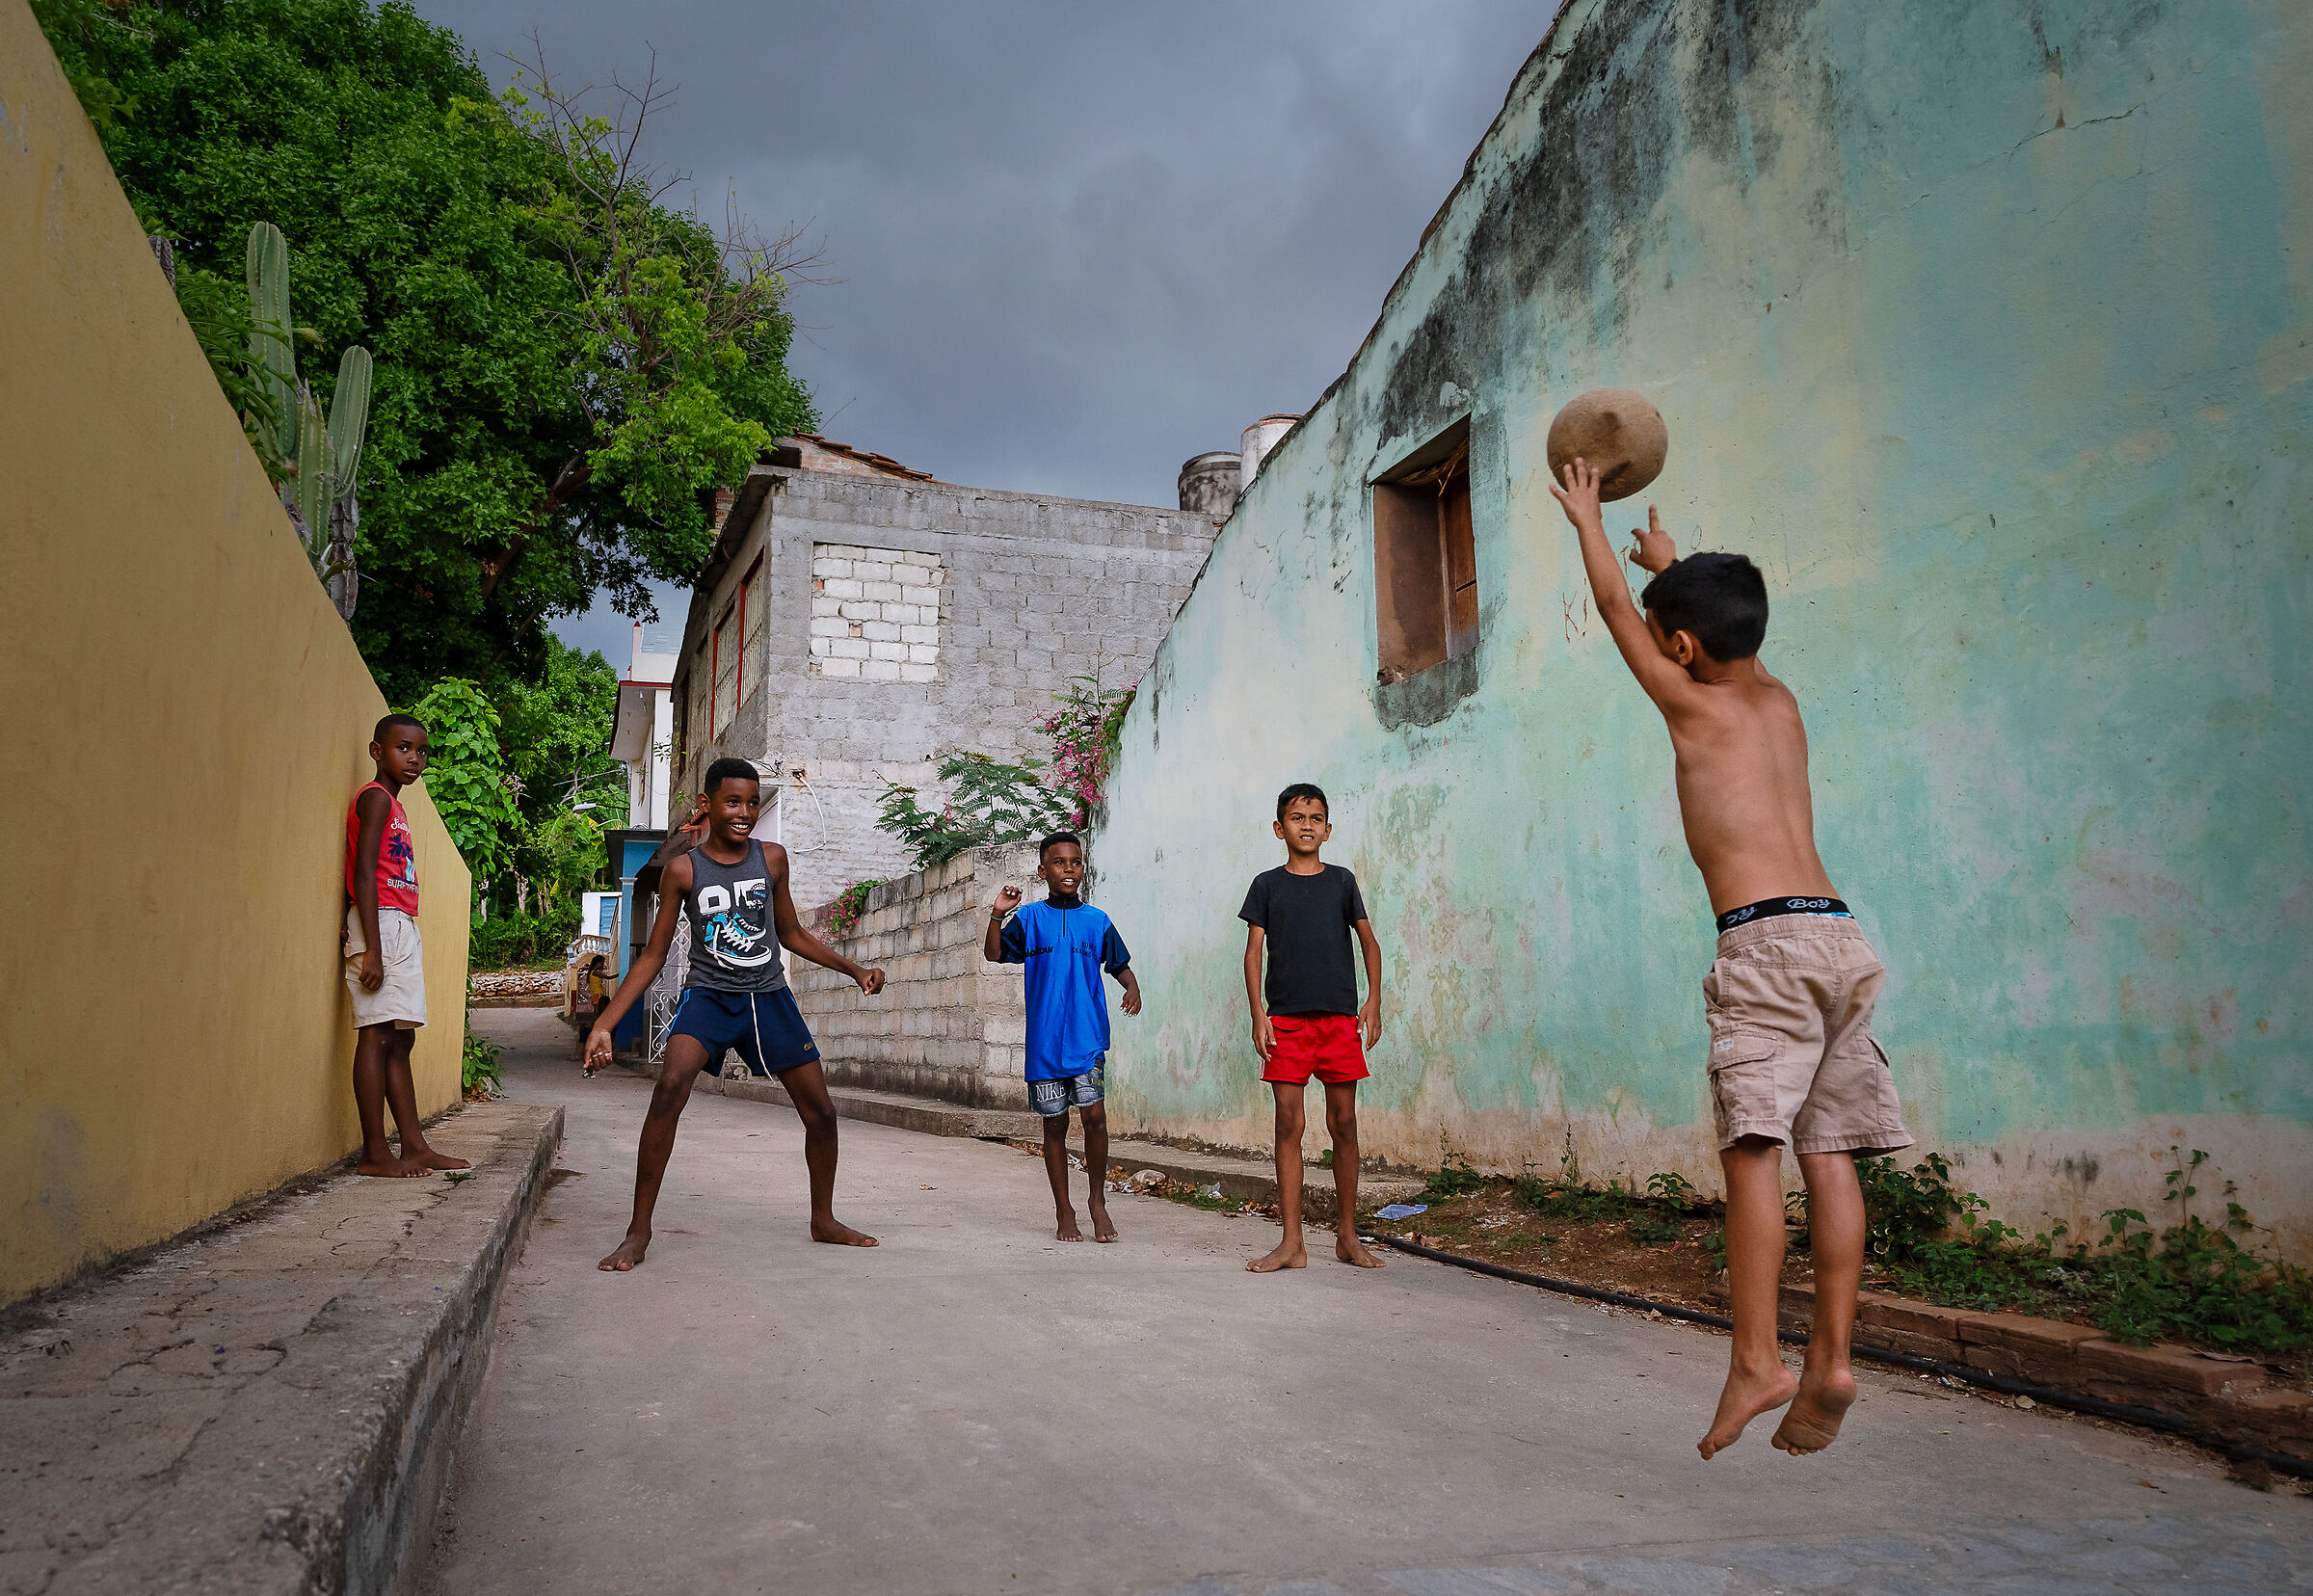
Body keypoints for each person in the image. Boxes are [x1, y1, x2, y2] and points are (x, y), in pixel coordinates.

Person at [1550, 458, 1910, 1460]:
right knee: (1829, 1156)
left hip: (1762, 945)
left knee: (1755, 1151)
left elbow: (1620, 613)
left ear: (1679, 646)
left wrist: (1588, 519)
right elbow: (1710, 622)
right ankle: (1833, 1356)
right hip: (1841, 938)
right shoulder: (1779, 699)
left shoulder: (1690, 705)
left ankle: (1759, 1359)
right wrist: (1680, 563)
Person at [582, 758, 887, 1270]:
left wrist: (853, 970)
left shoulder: (773, 859)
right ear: (706, 804)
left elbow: (790, 933)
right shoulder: (683, 870)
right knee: (669, 1089)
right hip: (709, 997)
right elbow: (654, 955)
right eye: (732, 801)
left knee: (822, 1113)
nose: (744, 812)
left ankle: (823, 1218)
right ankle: (638, 1231)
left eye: (751, 802)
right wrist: (605, 1024)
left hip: (768, 997)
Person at [1238, 784, 1386, 1273]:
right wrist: (1259, 1014)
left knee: (1344, 1123)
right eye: (1297, 817)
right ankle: (1292, 1243)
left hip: (1341, 1020)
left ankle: (1347, 1235)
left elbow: (1369, 943)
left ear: (1328, 828)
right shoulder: (1266, 885)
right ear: (1280, 829)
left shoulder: (1342, 882)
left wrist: (1374, 1002)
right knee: (1288, 1124)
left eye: (1316, 817)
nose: (1307, 824)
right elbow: (1254, 952)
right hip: (1286, 1023)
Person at [985, 832, 1142, 1242]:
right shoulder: (1030, 919)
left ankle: (1097, 1201)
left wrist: (1132, 985)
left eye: (1075, 862)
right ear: (1043, 871)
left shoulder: (1098, 920)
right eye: (1059, 862)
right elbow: (994, 953)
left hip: (1087, 1039)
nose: (1068, 869)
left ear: (1082, 868)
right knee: (1054, 1126)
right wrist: (997, 915)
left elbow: (1118, 962)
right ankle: (1063, 1209)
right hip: (1045, 1043)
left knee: (1095, 1119)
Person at [342, 713, 469, 1178]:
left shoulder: (396, 805)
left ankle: (414, 1146)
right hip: (382, 927)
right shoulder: (375, 799)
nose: (414, 758)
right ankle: (374, 1152)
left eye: (422, 751)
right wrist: (370, 947)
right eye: (403, 749)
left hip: (397, 924)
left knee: (401, 1037)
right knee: (376, 1035)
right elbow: (361, 873)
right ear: (378, 752)